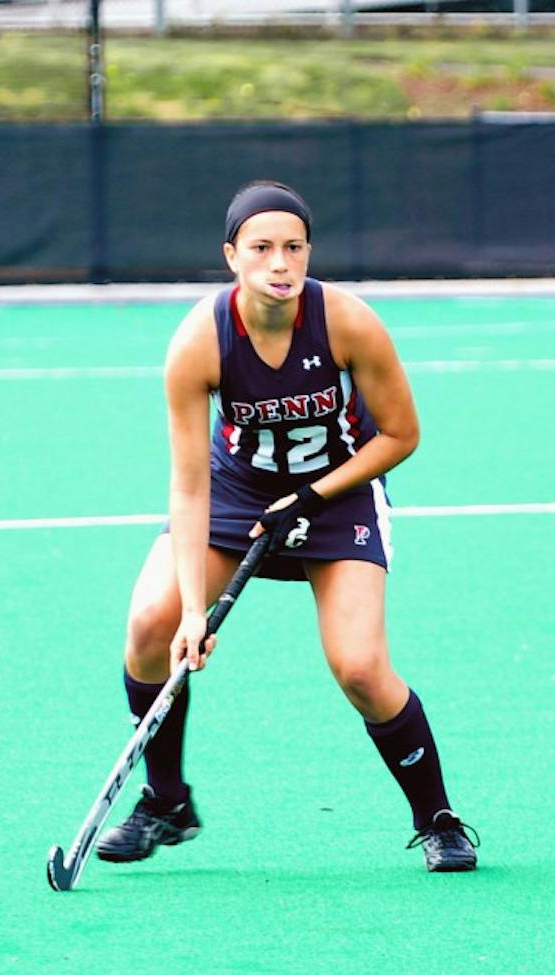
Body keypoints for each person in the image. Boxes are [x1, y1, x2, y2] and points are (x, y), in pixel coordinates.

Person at [94, 180, 478, 874]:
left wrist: (315, 493)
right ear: (231, 257)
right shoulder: (197, 342)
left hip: (340, 494)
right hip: (236, 495)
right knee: (152, 626)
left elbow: (401, 434)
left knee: (360, 667)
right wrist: (191, 611)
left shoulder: (348, 322)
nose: (280, 263)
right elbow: (188, 484)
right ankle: (166, 800)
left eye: (294, 247)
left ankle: (438, 818)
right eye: (262, 248)